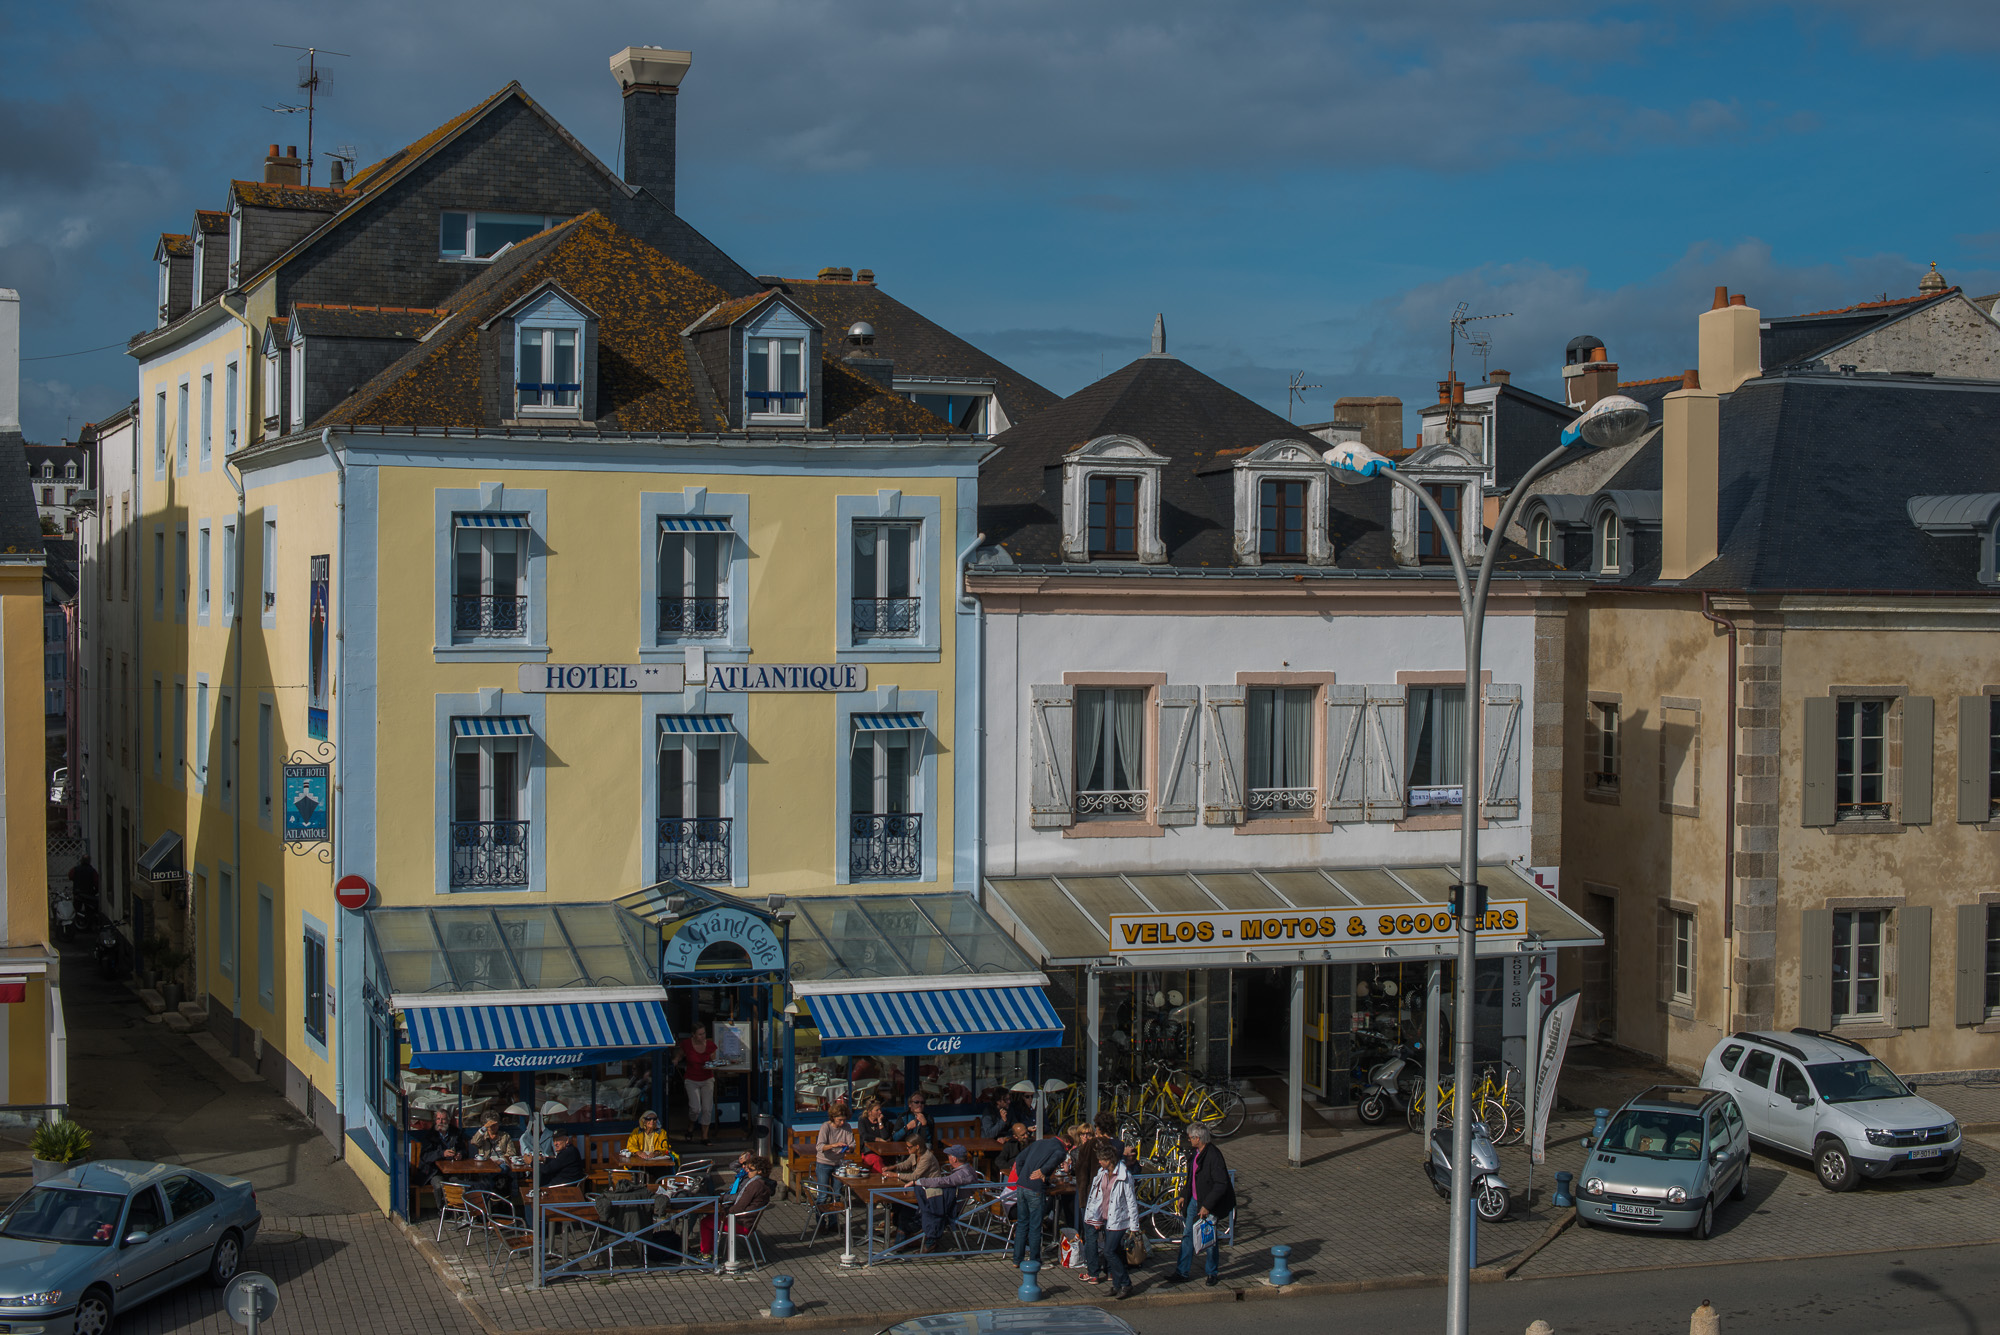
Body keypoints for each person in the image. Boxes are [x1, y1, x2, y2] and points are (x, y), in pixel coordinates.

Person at [1162, 1123, 1233, 1286]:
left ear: (1198, 1138)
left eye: (1190, 1137)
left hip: (1208, 1203)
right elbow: (1190, 1178)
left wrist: (1207, 1205)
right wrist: (1183, 1195)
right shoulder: (1195, 1153)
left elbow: (1221, 1183)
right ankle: (1182, 1271)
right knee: (1187, 1236)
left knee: (1209, 1239)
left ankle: (1212, 1272)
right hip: (1194, 1200)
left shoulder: (1213, 1156)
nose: (1189, 1140)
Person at [1083, 1139, 1138, 1298]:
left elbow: (1131, 1202)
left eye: (1102, 1160)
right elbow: (1097, 1197)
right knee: (1115, 1252)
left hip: (1119, 1220)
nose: (1099, 1162)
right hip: (1107, 1218)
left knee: (1108, 1252)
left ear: (1110, 1161)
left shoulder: (1124, 1176)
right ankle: (1116, 1285)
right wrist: (1095, 1218)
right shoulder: (1102, 1174)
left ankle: (1126, 1284)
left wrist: (1134, 1227)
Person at [1008, 1127, 1069, 1267]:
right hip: (1035, 1189)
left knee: (1022, 1223)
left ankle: (1017, 1260)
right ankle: (1035, 1260)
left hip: (1022, 1186)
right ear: (1067, 1144)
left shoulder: (1039, 1143)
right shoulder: (1060, 1150)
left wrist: (1023, 1175)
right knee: (1035, 1226)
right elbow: (1058, 1156)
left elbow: (1020, 1159)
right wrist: (1043, 1172)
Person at [699, 1154, 773, 1256]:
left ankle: (706, 1254)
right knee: (711, 1219)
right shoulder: (761, 1183)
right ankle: (710, 1251)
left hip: (742, 1224)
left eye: (751, 1169)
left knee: (705, 1222)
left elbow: (739, 1206)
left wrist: (724, 1212)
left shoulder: (754, 1185)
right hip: (748, 1223)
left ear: (759, 1171)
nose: (747, 1171)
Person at [910, 1145, 978, 1252]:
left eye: (949, 1156)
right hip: (951, 1203)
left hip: (952, 1208)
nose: (948, 1158)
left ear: (954, 1159)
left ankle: (927, 1239)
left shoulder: (962, 1174)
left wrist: (919, 1182)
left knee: (926, 1208)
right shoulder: (967, 1169)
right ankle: (921, 1236)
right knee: (926, 1205)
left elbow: (944, 1181)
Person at [677, 1023, 720, 1145]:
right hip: (691, 1079)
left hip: (707, 1079)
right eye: (700, 1034)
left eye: (704, 1033)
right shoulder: (686, 1044)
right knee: (695, 1108)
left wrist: (715, 1064)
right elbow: (680, 1054)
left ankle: (704, 1136)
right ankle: (691, 1126)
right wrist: (676, 1060)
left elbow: (714, 1060)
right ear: (693, 1035)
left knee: (707, 1108)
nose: (703, 1036)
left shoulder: (710, 1045)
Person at [814, 1105, 859, 1192]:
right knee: (823, 1193)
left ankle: (836, 1204)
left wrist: (850, 1148)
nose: (842, 1123)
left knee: (837, 1192)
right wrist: (833, 1145)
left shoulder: (847, 1127)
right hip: (824, 1162)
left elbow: (852, 1143)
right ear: (833, 1118)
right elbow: (819, 1147)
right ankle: (821, 1205)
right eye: (840, 1120)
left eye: (844, 1120)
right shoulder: (826, 1127)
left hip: (839, 1163)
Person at [418, 1110, 467, 1186]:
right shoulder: (430, 1135)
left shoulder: (456, 1133)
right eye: (438, 1119)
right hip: (434, 1171)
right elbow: (425, 1156)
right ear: (435, 1121)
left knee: (457, 1182)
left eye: (443, 1119)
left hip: (453, 1170)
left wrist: (460, 1154)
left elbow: (463, 1150)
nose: (440, 1122)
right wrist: (442, 1154)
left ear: (448, 1120)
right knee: (439, 1185)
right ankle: (439, 1198)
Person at [856, 1097, 896, 1171]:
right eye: (877, 1110)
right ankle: (883, 1178)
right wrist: (878, 1139)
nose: (880, 1112)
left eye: (880, 1109)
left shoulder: (884, 1120)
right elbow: (864, 1136)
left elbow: (885, 1136)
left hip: (883, 1151)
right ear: (869, 1112)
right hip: (868, 1152)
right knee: (877, 1160)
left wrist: (880, 1122)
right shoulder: (863, 1120)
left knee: (892, 1159)